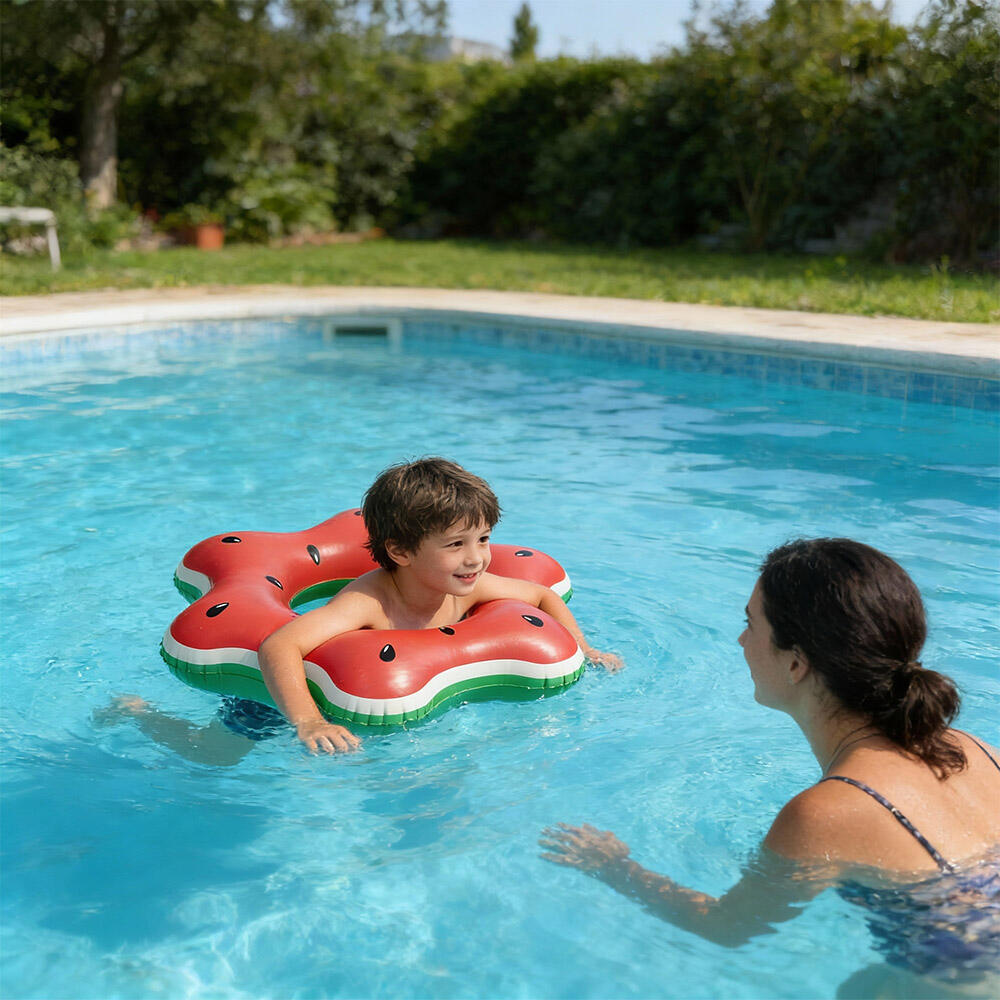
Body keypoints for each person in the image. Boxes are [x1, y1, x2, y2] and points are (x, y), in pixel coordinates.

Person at [541, 539, 999, 996]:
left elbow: (728, 926)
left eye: (750, 624)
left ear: (796, 663)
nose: (742, 640)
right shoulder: (976, 749)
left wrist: (615, 866)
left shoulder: (825, 813)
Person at [259, 457, 623, 754]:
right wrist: (309, 722)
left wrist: (585, 648)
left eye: (483, 539)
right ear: (400, 551)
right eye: (455, 545)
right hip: (288, 707)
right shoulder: (369, 603)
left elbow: (542, 595)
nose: (476, 558)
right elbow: (280, 644)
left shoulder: (468, 587)